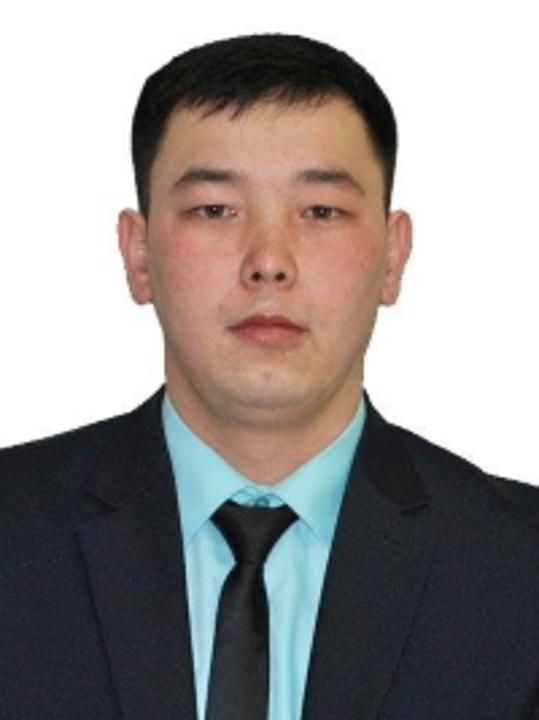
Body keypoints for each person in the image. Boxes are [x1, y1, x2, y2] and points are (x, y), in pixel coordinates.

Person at [1, 33, 538, 720]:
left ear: (392, 256)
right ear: (137, 254)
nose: (268, 262)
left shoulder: (519, 566)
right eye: (214, 210)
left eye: (321, 212)